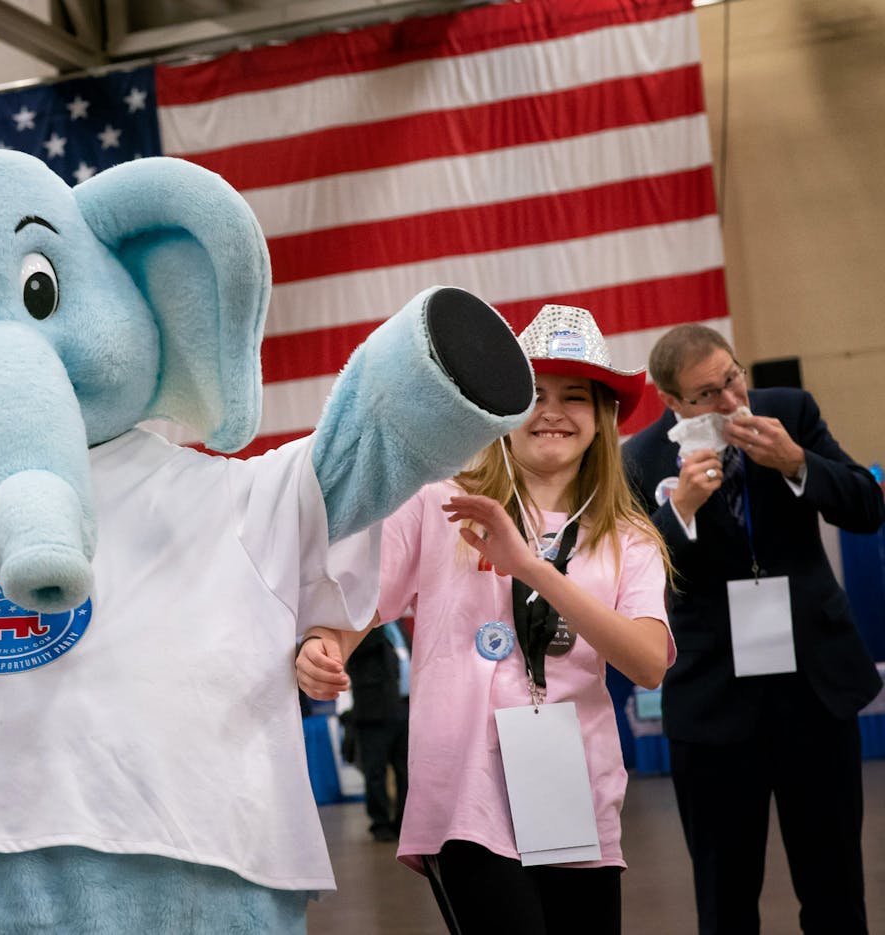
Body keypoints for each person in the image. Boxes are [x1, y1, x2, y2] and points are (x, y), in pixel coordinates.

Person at [298, 304, 674, 935]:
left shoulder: (628, 537)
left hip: (572, 790)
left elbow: (649, 662)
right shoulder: (438, 502)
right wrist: (321, 645)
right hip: (464, 787)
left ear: (603, 418)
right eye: (537, 394)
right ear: (506, 410)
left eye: (575, 396)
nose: (552, 411)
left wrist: (532, 568)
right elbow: (357, 603)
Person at [622, 324, 884, 935]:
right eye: (707, 394)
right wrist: (679, 509)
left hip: (814, 689)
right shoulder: (641, 459)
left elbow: (867, 508)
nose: (732, 401)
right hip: (714, 705)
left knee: (836, 886)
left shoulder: (789, 411)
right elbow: (634, 582)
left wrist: (797, 463)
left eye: (732, 378)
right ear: (672, 403)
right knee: (725, 896)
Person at [341, 621, 408, 842]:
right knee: (375, 772)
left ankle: (403, 821)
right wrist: (377, 617)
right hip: (373, 711)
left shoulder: (398, 625)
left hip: (404, 707)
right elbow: (355, 651)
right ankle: (379, 823)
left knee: (405, 771)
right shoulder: (362, 626)